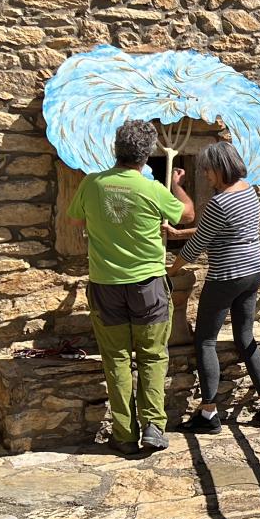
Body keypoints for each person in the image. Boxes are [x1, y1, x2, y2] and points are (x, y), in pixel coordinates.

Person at [67, 119, 195, 455]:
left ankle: (124, 434)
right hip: (149, 286)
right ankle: (153, 426)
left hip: (106, 285)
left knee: (116, 359)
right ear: (147, 154)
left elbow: (78, 220)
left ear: (116, 150)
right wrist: (178, 185)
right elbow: (186, 215)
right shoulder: (153, 190)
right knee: (152, 356)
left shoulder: (92, 184)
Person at [166, 141, 260, 433]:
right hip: (253, 271)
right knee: (245, 337)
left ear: (219, 169)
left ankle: (208, 413)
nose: (205, 175)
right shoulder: (248, 191)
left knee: (205, 340)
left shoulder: (220, 202)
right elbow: (218, 227)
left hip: (226, 276)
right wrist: (179, 231)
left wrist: (172, 270)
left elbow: (197, 245)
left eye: (207, 171)